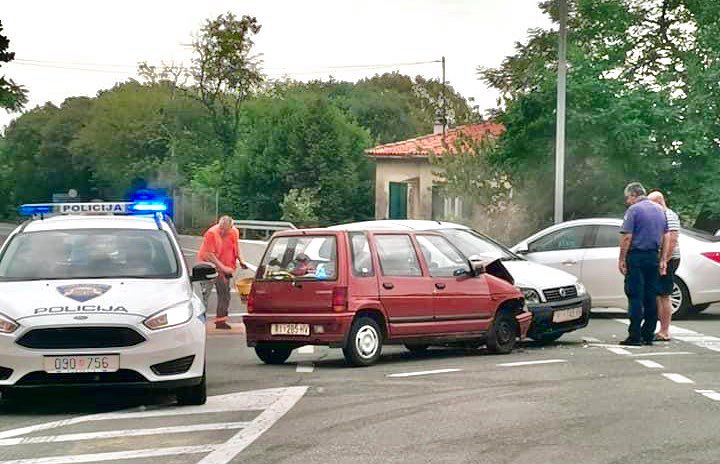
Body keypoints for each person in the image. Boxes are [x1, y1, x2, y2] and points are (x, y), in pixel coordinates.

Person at [618, 182, 669, 346]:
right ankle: (648, 334)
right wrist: (663, 259)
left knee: (635, 295)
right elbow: (666, 236)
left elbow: (627, 237)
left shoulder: (634, 210)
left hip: (636, 256)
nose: (627, 201)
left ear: (633, 195)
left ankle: (634, 335)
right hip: (653, 256)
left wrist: (622, 259)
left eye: (628, 198)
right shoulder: (660, 210)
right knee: (651, 296)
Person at [197, 216, 248, 330]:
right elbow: (209, 255)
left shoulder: (234, 232)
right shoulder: (211, 233)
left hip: (225, 267)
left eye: (226, 230)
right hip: (208, 267)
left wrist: (241, 260)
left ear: (231, 227)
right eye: (221, 229)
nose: (223, 232)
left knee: (225, 294)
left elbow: (236, 247)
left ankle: (221, 321)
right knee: (204, 295)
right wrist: (223, 268)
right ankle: (199, 322)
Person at [648, 191, 681, 342]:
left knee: (664, 295)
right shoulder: (661, 215)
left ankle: (665, 331)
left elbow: (672, 240)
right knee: (659, 294)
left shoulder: (669, 215)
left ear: (658, 202)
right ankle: (661, 329)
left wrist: (664, 261)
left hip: (669, 259)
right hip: (663, 258)